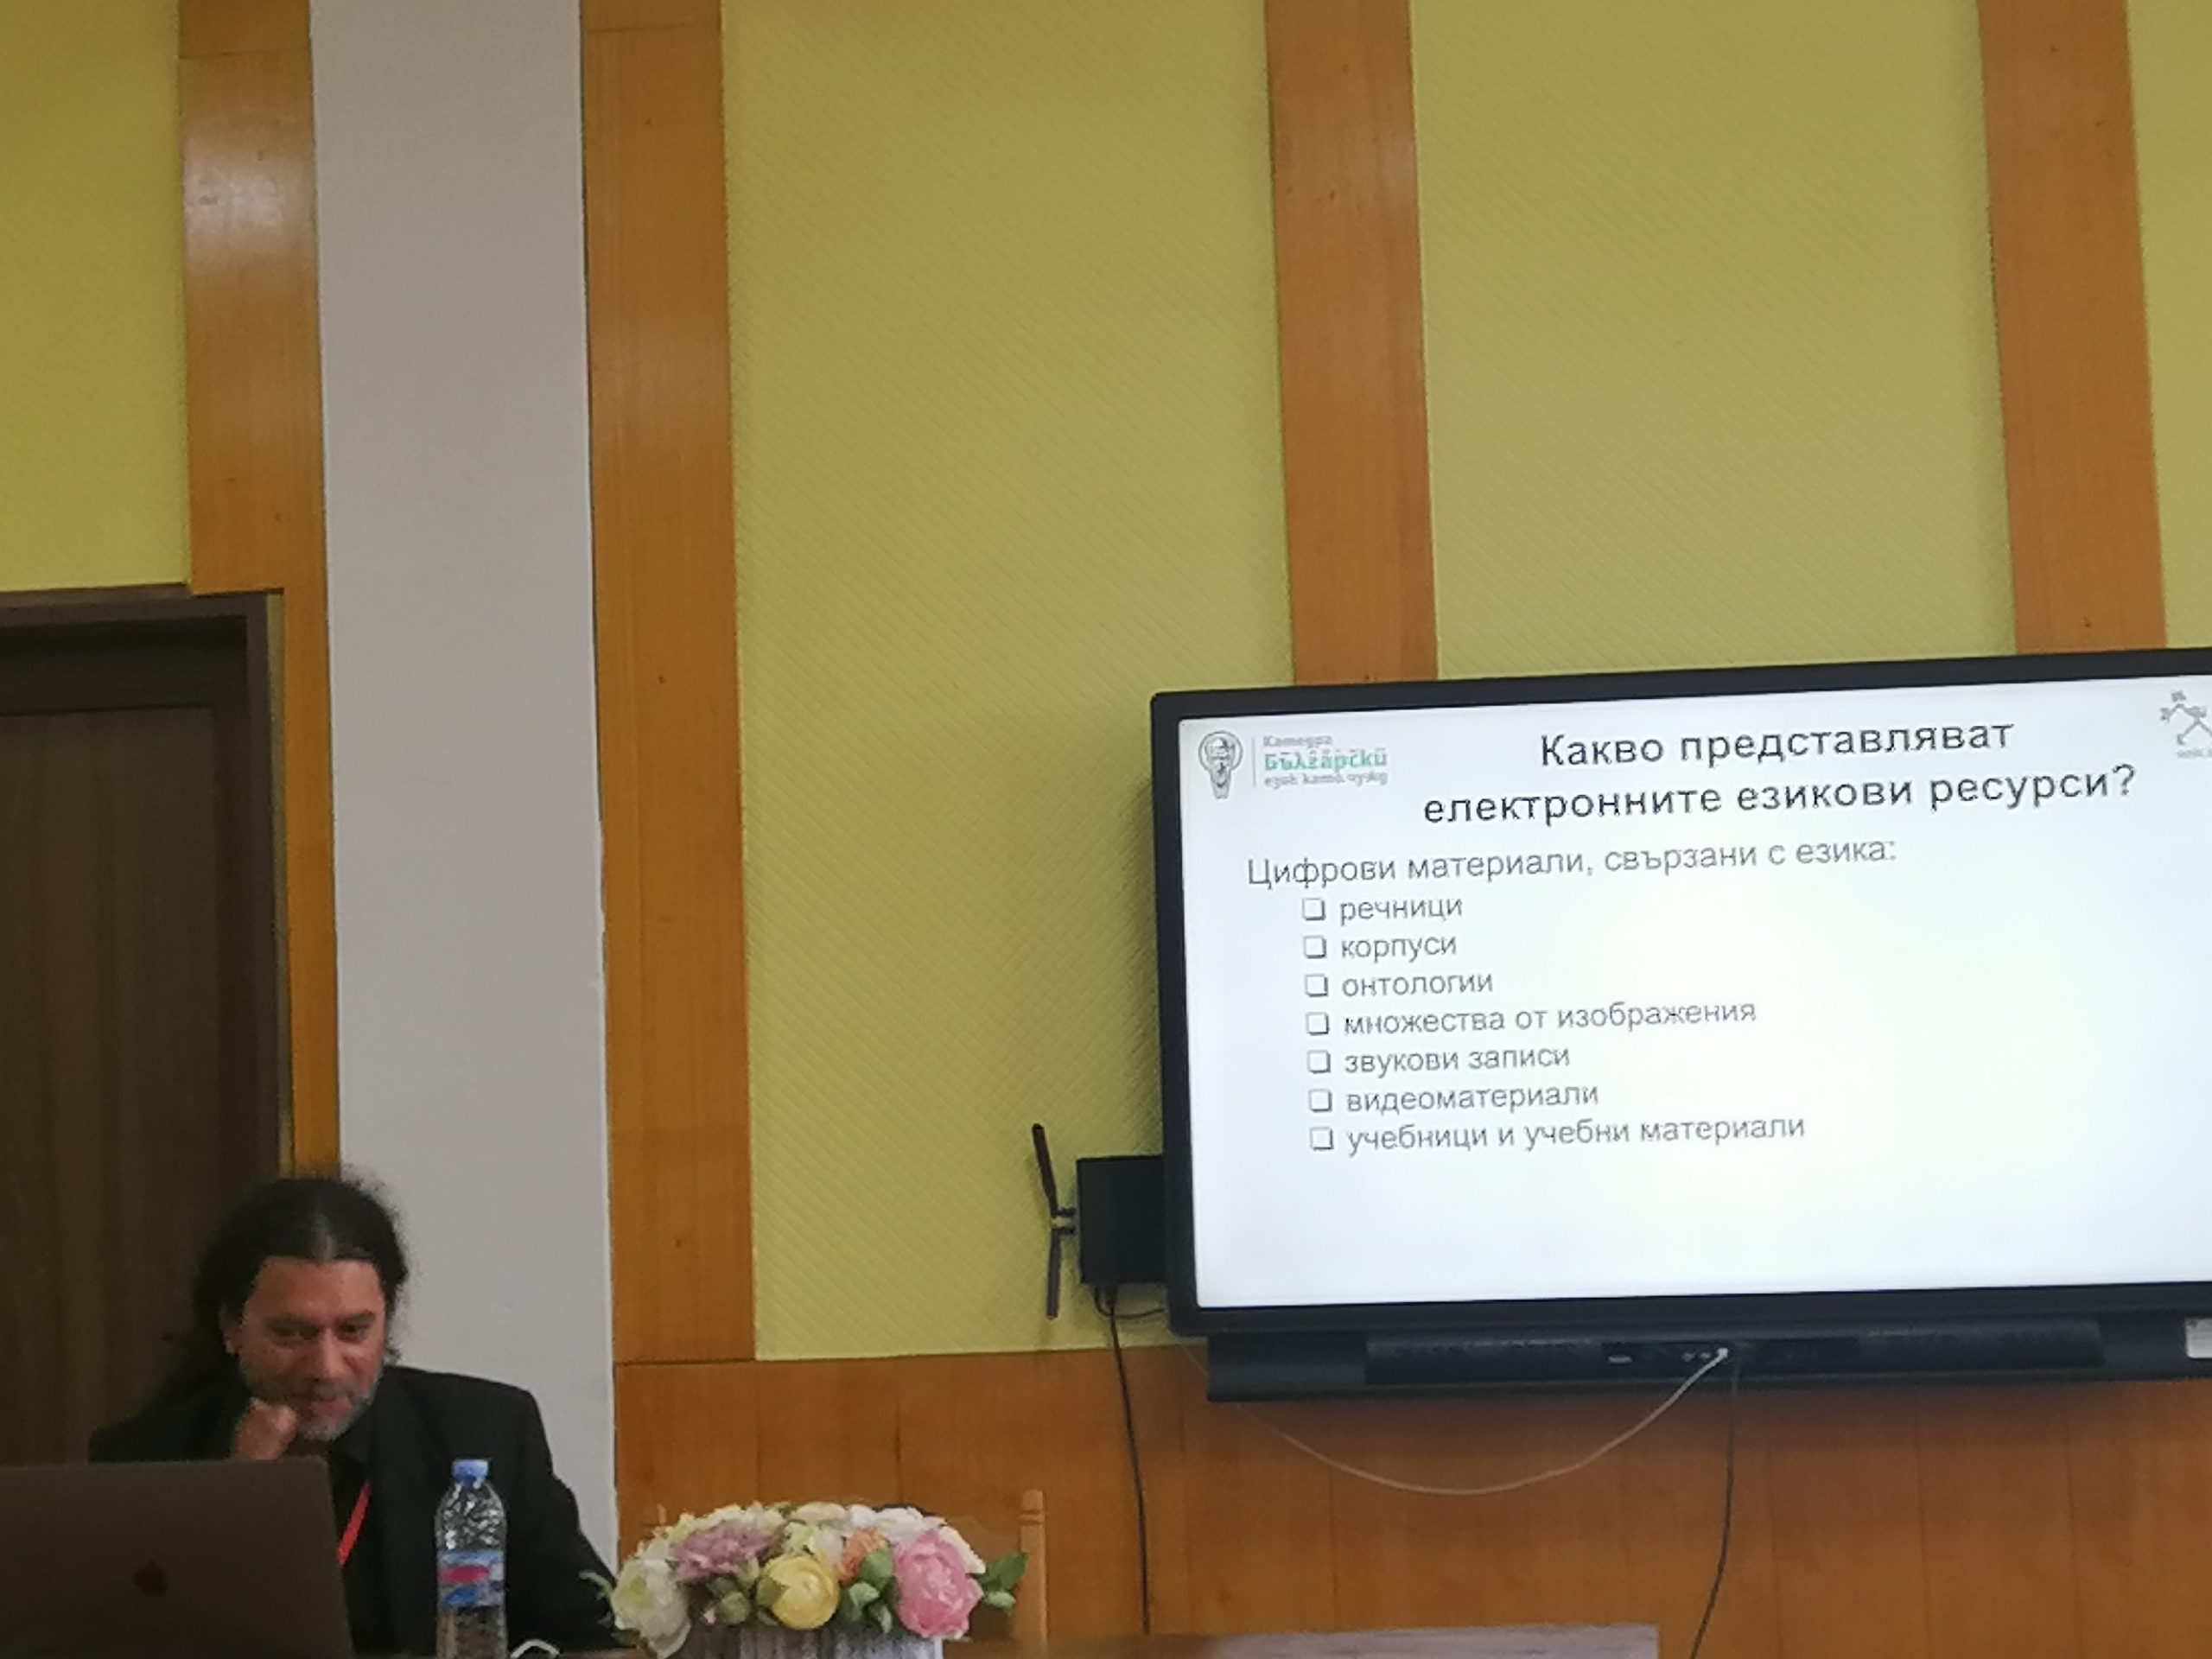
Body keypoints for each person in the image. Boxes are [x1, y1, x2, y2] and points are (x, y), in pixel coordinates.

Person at [90, 1173, 614, 1656]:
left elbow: (593, 1631)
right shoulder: (144, 1460)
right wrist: (237, 1492)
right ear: (232, 1327)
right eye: (291, 1333)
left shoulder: (485, 1432)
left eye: (353, 1331)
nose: (326, 1367)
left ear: (387, 1322)